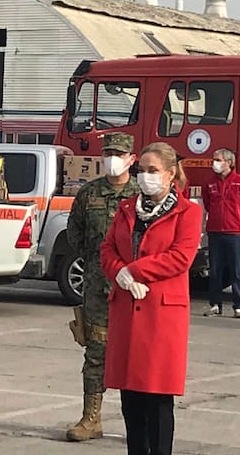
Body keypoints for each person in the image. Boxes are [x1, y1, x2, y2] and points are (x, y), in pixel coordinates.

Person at [101, 142, 203, 455]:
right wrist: (119, 273)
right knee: (130, 399)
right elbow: (107, 249)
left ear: (171, 174)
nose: (145, 177)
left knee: (157, 399)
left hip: (161, 316)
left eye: (152, 171)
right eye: (141, 170)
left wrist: (134, 271)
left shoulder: (188, 211)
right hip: (127, 311)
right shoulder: (128, 207)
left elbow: (180, 257)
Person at [66, 132, 140, 442]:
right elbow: (75, 235)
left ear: (131, 159)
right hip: (97, 289)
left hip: (134, 289)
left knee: (136, 355)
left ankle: (139, 423)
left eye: (119, 153)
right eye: (108, 152)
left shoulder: (141, 196)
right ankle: (91, 418)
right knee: (96, 353)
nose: (112, 158)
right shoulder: (88, 193)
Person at [201, 148, 240, 319]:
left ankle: (238, 306)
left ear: (229, 163)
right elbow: (208, 203)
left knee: (235, 270)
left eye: (218, 160)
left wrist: (235, 216)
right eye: (214, 159)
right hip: (215, 231)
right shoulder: (209, 183)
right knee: (215, 270)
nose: (214, 163)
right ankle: (215, 304)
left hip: (235, 232)